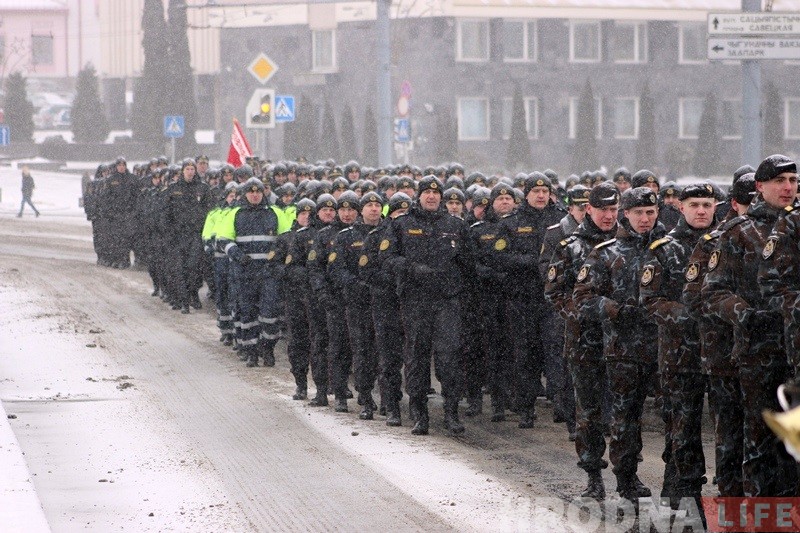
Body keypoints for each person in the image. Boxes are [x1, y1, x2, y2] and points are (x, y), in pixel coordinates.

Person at [703, 154, 800, 497]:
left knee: (795, 444)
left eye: (792, 180)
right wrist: (745, 312)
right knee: (758, 441)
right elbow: (713, 291)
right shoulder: (738, 232)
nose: (788, 188)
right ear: (760, 187)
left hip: (796, 350)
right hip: (760, 351)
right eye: (779, 181)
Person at [574, 186, 666, 502]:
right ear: (625, 214)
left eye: (650, 212)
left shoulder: (666, 250)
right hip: (624, 350)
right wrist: (614, 309)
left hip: (666, 349)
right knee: (624, 418)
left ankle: (677, 483)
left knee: (675, 418)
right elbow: (583, 299)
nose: (645, 218)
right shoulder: (606, 253)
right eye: (638, 212)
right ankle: (624, 478)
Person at [639, 183, 717, 509]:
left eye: (707, 204)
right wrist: (687, 315)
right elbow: (650, 301)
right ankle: (684, 495)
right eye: (695, 204)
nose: (701, 210)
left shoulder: (729, 243)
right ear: (681, 207)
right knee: (682, 427)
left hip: (722, 353)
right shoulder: (663, 248)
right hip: (679, 355)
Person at [380, 175, 473, 436]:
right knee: (417, 357)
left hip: (446, 300)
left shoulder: (455, 225)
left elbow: (468, 265)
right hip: (415, 300)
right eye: (426, 193)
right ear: (418, 196)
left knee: (449, 356)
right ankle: (419, 414)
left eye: (436, 193)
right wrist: (411, 269)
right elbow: (386, 258)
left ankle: (451, 411)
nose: (431, 197)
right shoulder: (402, 224)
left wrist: (460, 291)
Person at [545, 182, 620, 500]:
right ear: (588, 209)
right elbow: (554, 292)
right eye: (603, 209)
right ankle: (593, 476)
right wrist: (584, 311)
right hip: (584, 340)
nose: (609, 216)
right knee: (588, 412)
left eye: (614, 210)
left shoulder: (629, 244)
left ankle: (627, 476)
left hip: (622, 341)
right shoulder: (570, 246)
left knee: (622, 410)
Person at [683, 174, 756, 498]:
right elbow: (696, 297)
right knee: (729, 437)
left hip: (771, 354)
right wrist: (739, 312)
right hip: (725, 353)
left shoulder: (783, 235)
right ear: (737, 204)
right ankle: (730, 502)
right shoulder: (714, 241)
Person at [493, 172, 563, 429]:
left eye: (545, 192)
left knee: (556, 352)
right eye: (536, 192)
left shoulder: (560, 220)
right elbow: (499, 256)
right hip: (522, 298)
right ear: (526, 194)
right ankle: (526, 408)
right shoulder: (511, 223)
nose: (541, 196)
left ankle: (561, 405)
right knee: (525, 355)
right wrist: (532, 263)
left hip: (552, 298)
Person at [216, 176, 281, 367]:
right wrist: (237, 255)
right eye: (251, 192)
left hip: (268, 273)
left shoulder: (274, 214)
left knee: (270, 313)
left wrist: (277, 256)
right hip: (245, 273)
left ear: (263, 193)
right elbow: (223, 240)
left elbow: (286, 239)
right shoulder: (235, 214)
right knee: (248, 314)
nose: (255, 195)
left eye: (258, 191)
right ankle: (251, 351)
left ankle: (268, 349)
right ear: (245, 194)